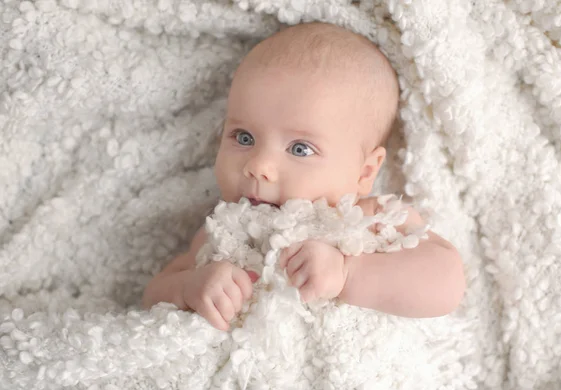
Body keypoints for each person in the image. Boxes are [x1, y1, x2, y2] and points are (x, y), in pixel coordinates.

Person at [142, 22, 465, 331]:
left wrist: (347, 273)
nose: (259, 166)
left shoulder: (371, 220)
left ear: (365, 171)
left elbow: (448, 283)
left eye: (300, 149)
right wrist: (190, 287)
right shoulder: (225, 234)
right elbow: (152, 293)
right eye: (243, 138)